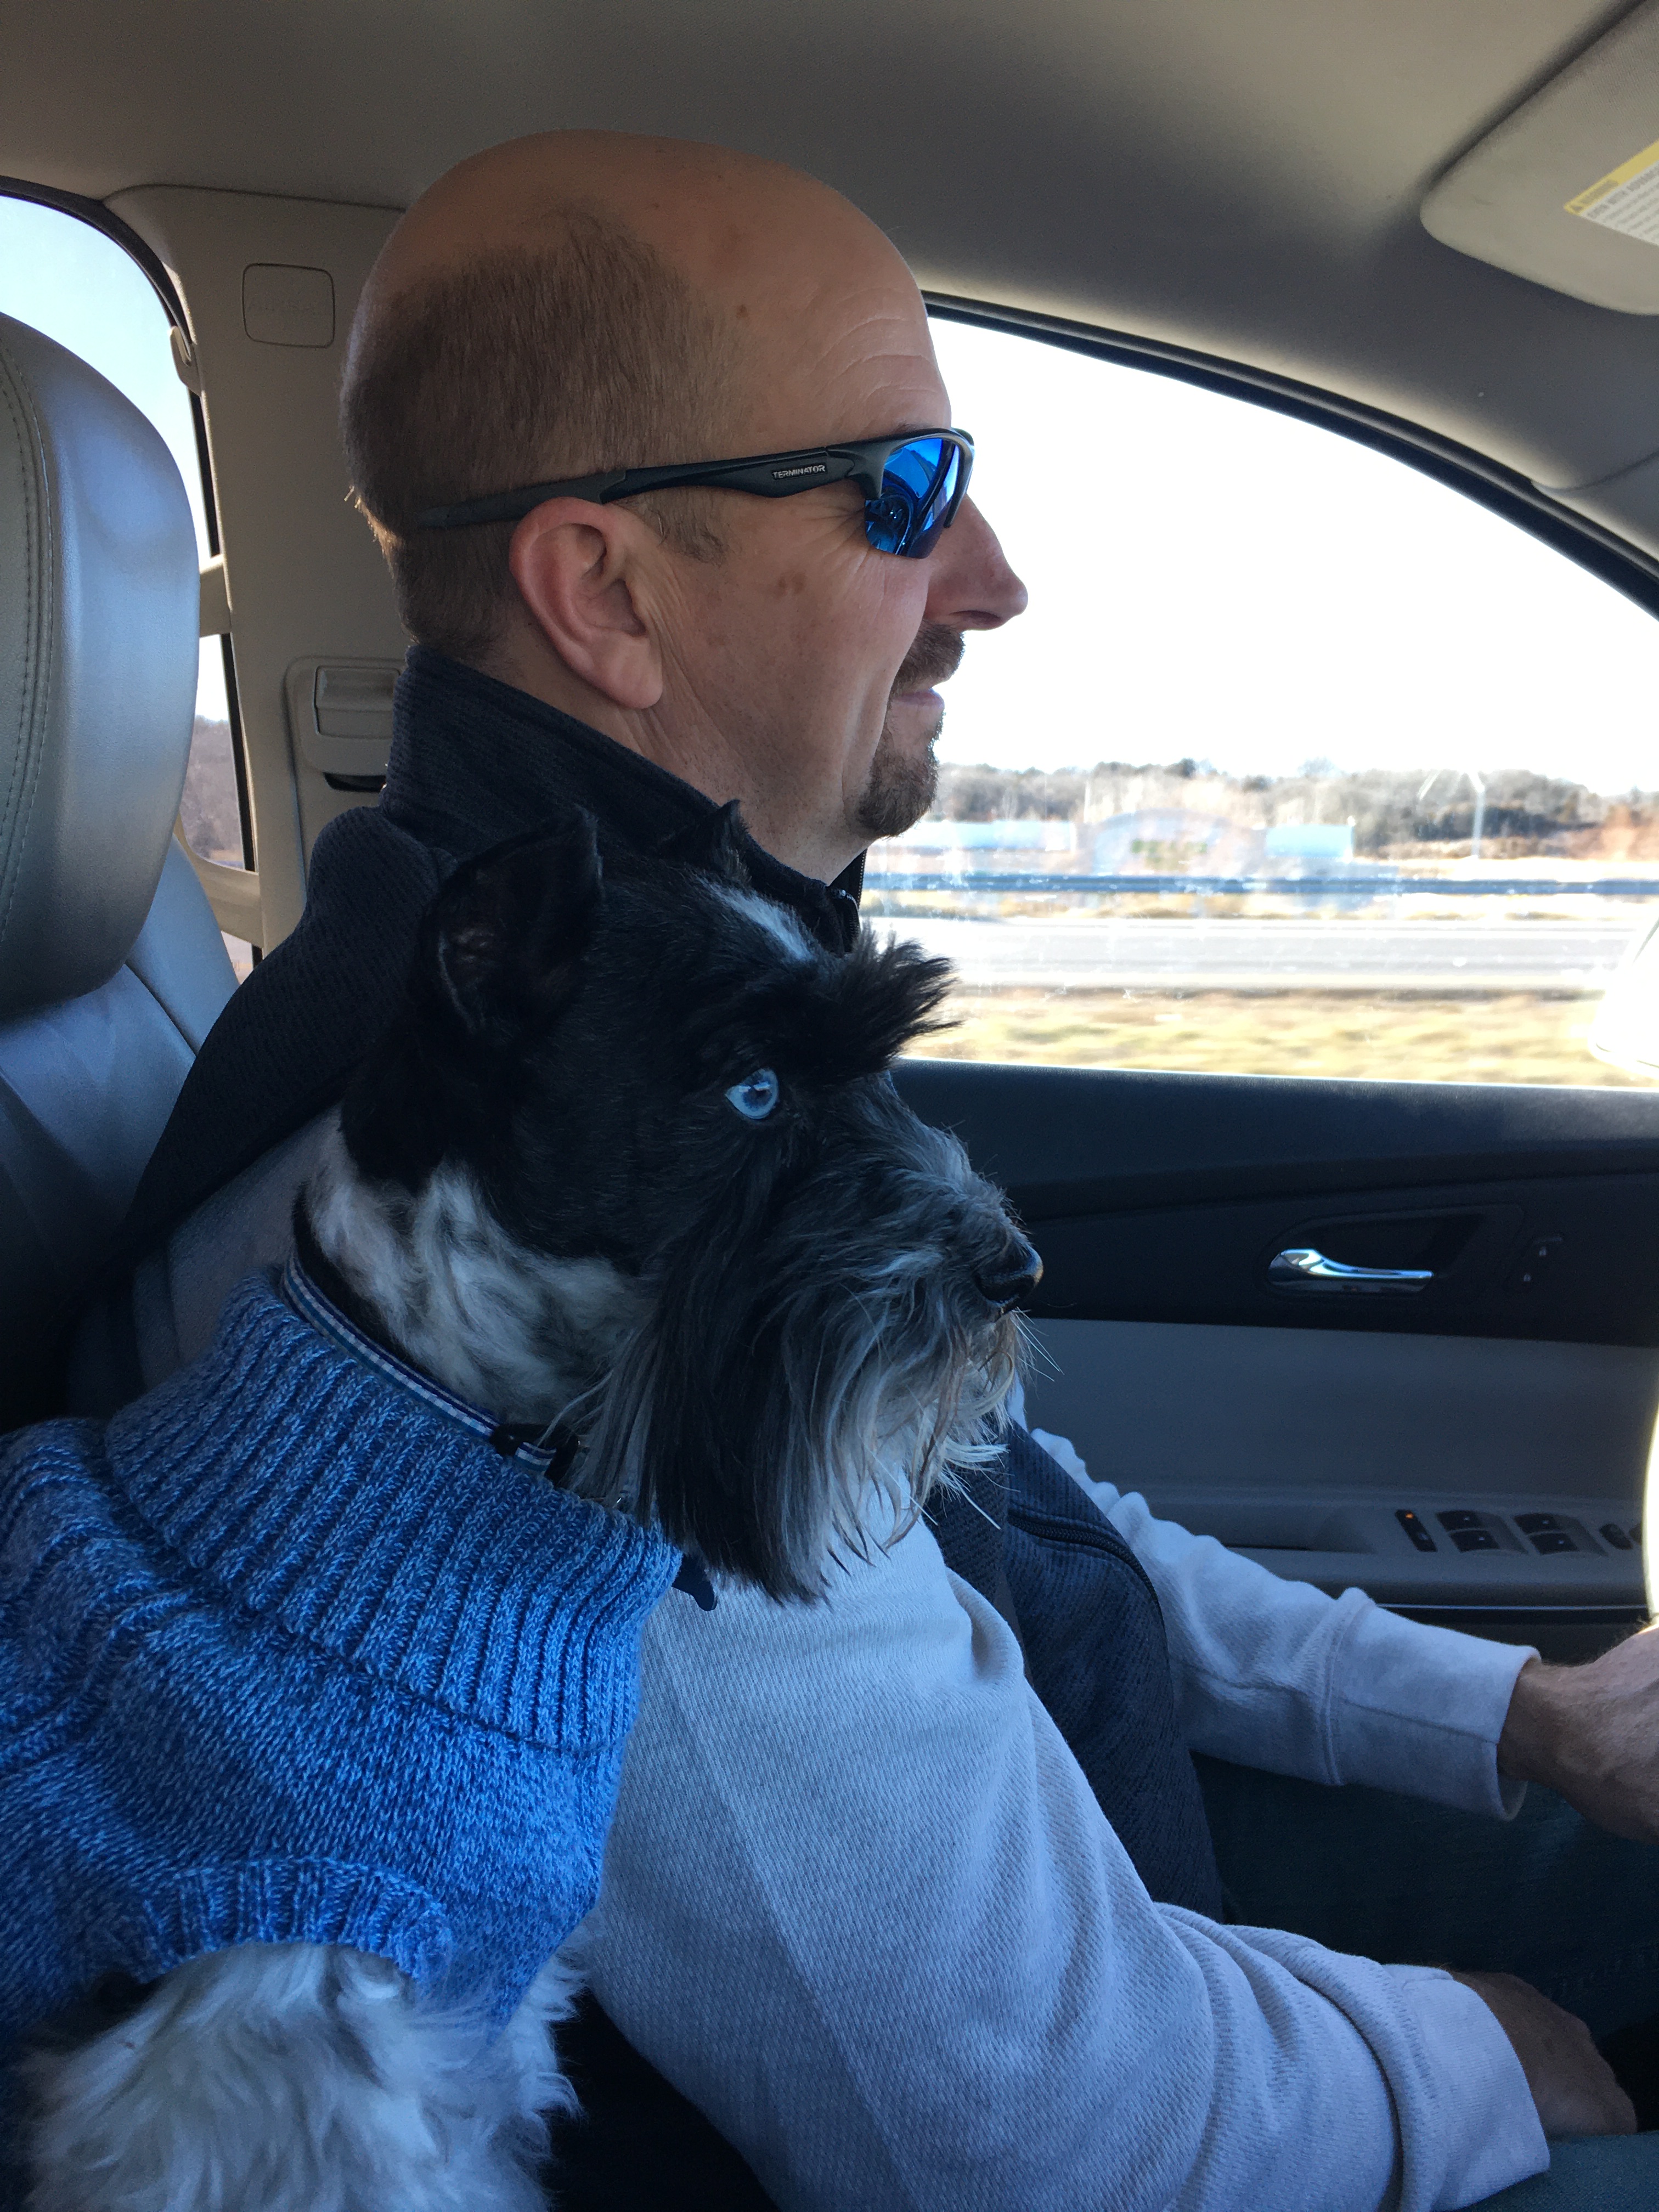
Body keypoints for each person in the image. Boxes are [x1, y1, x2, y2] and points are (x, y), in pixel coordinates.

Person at [72, 132, 1659, 2208]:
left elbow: (1024, 1515)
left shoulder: (670, 1001)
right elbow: (1044, 2129)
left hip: (1092, 1891)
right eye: (908, 489)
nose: (993, 575)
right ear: (606, 593)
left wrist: (1523, 1715)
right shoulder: (513, 1264)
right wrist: (1488, 2053)